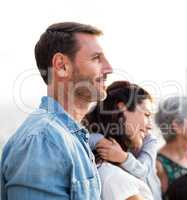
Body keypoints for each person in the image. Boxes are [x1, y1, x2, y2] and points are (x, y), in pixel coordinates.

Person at [0, 22, 112, 200]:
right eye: (96, 58)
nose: (109, 69)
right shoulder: (43, 141)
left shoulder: (68, 136)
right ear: (61, 66)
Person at [84, 81, 159, 200]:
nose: (150, 126)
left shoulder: (107, 170)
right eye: (146, 114)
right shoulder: (116, 178)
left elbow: (143, 170)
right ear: (122, 107)